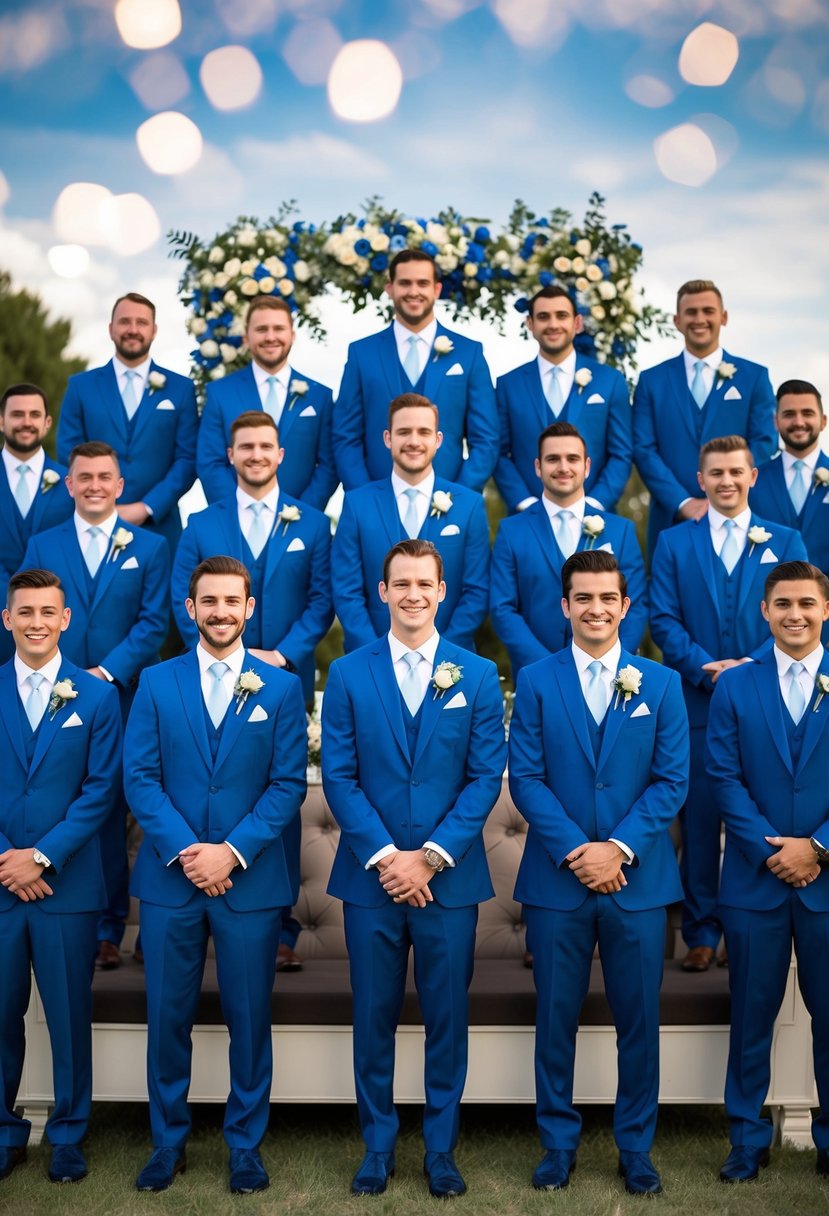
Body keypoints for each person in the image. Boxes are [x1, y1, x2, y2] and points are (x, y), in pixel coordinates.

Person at [322, 539, 505, 1198]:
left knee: (444, 1017)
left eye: (423, 584)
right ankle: (376, 1147)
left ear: (441, 590)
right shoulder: (347, 673)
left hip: (448, 880)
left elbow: (484, 777)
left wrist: (429, 857)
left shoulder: (477, 675)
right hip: (369, 881)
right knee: (371, 1015)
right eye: (400, 584)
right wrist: (385, 857)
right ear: (381, 591)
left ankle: (440, 1149)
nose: (412, 595)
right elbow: (339, 776)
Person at [124, 555, 306, 1194]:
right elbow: (140, 779)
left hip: (250, 882)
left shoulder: (280, 689)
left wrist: (230, 852)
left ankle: (245, 1146)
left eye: (233, 601)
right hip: (171, 880)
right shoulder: (155, 682)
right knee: (167, 1017)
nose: (222, 612)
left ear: (249, 609)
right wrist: (187, 851)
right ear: (191, 608)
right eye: (210, 601)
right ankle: (166, 1143)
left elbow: (287, 785)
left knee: (249, 1019)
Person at [509, 549, 688, 1196]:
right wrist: (577, 852)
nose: (595, 608)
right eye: (582, 598)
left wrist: (616, 848)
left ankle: (634, 1147)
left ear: (624, 606)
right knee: (554, 1018)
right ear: (564, 606)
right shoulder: (533, 679)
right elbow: (525, 779)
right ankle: (556, 1145)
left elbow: (671, 781)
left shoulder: (659, 684)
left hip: (637, 884)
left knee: (637, 1021)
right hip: (556, 882)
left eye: (606, 598)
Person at [173, 410, 333, 971]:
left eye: (267, 445)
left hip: (283, 678)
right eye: (247, 446)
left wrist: (279, 656)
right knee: (203, 776)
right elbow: (181, 597)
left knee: (277, 789)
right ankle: (191, 897)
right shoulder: (201, 523)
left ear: (281, 454)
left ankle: (280, 924)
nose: (257, 454)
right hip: (209, 669)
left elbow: (321, 601)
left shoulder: (312, 523)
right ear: (231, 456)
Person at [650, 436, 807, 971]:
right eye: (715, 473)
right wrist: (702, 666)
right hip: (695, 701)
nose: (726, 481)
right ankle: (700, 932)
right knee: (699, 818)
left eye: (736, 472)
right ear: (701, 479)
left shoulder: (786, 539)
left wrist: (748, 667)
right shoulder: (674, 542)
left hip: (768, 698)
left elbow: (797, 617)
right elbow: (662, 617)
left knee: (759, 809)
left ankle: (753, 924)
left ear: (753, 476)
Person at [23, 441, 170, 969]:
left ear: (119, 484)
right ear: (69, 484)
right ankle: (87, 924)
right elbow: (34, 610)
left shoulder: (149, 547)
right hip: (55, 701)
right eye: (83, 477)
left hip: (125, 695)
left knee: (122, 803)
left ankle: (127, 927)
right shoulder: (43, 544)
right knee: (70, 799)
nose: (93, 486)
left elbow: (154, 621)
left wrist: (103, 673)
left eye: (103, 477)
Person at [707, 561, 829, 1182]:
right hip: (755, 884)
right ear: (765, 612)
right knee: (750, 1015)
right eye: (783, 604)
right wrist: (771, 851)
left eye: (807, 604)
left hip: (828, 883)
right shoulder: (736, 685)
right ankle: (747, 1137)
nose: (795, 615)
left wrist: (819, 848)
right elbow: (723, 777)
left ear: (825, 610)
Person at [0, 569, 121, 1185]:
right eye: (26, 612)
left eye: (49, 612)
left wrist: (41, 857)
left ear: (65, 619)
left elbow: (101, 791)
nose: (38, 623)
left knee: (70, 1016)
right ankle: (3, 1130)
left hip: (66, 887)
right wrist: (8, 860)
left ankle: (69, 1134)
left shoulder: (96, 697)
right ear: (8, 619)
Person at [333, 393, 489, 653]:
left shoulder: (469, 506)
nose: (414, 441)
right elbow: (346, 590)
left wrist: (442, 652)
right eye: (404, 432)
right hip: (369, 655)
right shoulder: (356, 504)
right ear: (388, 438)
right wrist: (375, 652)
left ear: (438, 440)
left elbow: (477, 590)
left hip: (452, 658)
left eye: (424, 432)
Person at [633, 279, 776, 562]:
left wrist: (723, 492)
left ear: (723, 317)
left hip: (740, 518)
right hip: (671, 518)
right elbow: (643, 449)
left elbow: (765, 441)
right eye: (691, 312)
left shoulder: (754, 377)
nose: (700, 319)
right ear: (676, 320)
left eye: (708, 311)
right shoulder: (651, 381)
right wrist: (683, 502)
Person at [333, 249, 498, 492]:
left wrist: (460, 498)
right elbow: (345, 436)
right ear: (390, 289)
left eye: (422, 283)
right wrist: (365, 498)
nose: (413, 292)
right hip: (376, 505)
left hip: (449, 501)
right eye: (404, 283)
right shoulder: (361, 354)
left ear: (437, 290)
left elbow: (485, 439)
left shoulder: (468, 354)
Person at [490, 422, 646, 677]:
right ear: (538, 467)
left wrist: (612, 661)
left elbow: (636, 604)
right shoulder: (511, 532)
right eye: (553, 459)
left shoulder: (621, 531)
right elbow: (502, 608)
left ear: (586, 467)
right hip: (536, 674)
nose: (563, 468)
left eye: (572, 459)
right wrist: (548, 668)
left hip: (608, 673)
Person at [57, 292, 198, 556]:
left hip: (161, 527)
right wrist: (101, 504)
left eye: (141, 323)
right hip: (92, 526)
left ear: (154, 330)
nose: (133, 330)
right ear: (111, 329)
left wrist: (146, 507)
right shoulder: (80, 387)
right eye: (124, 322)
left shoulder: (180, 390)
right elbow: (69, 451)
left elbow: (188, 459)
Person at [494, 285, 632, 514]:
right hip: (527, 518)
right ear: (530, 324)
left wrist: (595, 504)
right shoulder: (508, 385)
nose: (553, 325)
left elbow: (622, 453)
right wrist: (525, 504)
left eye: (562, 316)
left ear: (577, 323)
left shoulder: (610, 381)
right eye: (543, 317)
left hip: (596, 518)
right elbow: (499, 453)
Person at [196, 296, 336, 509]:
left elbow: (329, 465)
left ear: (292, 335)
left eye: (279, 328)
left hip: (302, 521)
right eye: (261, 329)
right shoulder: (219, 393)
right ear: (246, 337)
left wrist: (303, 515)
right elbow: (210, 463)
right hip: (235, 521)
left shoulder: (319, 397)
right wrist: (237, 512)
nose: (270, 337)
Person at [0, 383, 72, 662]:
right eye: (17, 414)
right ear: (2, 421)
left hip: (54, 632)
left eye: (34, 414)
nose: (26, 422)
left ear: (47, 423)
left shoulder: (72, 483)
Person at [750, 380, 829, 575]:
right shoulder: (752, 481)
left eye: (807, 413)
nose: (799, 422)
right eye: (789, 414)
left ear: (823, 421)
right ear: (776, 422)